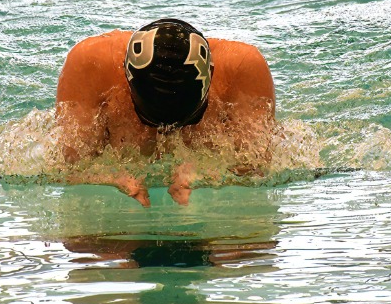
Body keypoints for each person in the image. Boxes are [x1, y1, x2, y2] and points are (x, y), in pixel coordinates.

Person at [55, 18, 276, 207]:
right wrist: (109, 177)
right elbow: (67, 166)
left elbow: (259, 166)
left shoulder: (242, 69)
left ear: (211, 76)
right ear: (125, 77)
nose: (166, 132)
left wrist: (208, 175)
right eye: (147, 121)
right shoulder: (90, 66)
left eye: (190, 121)